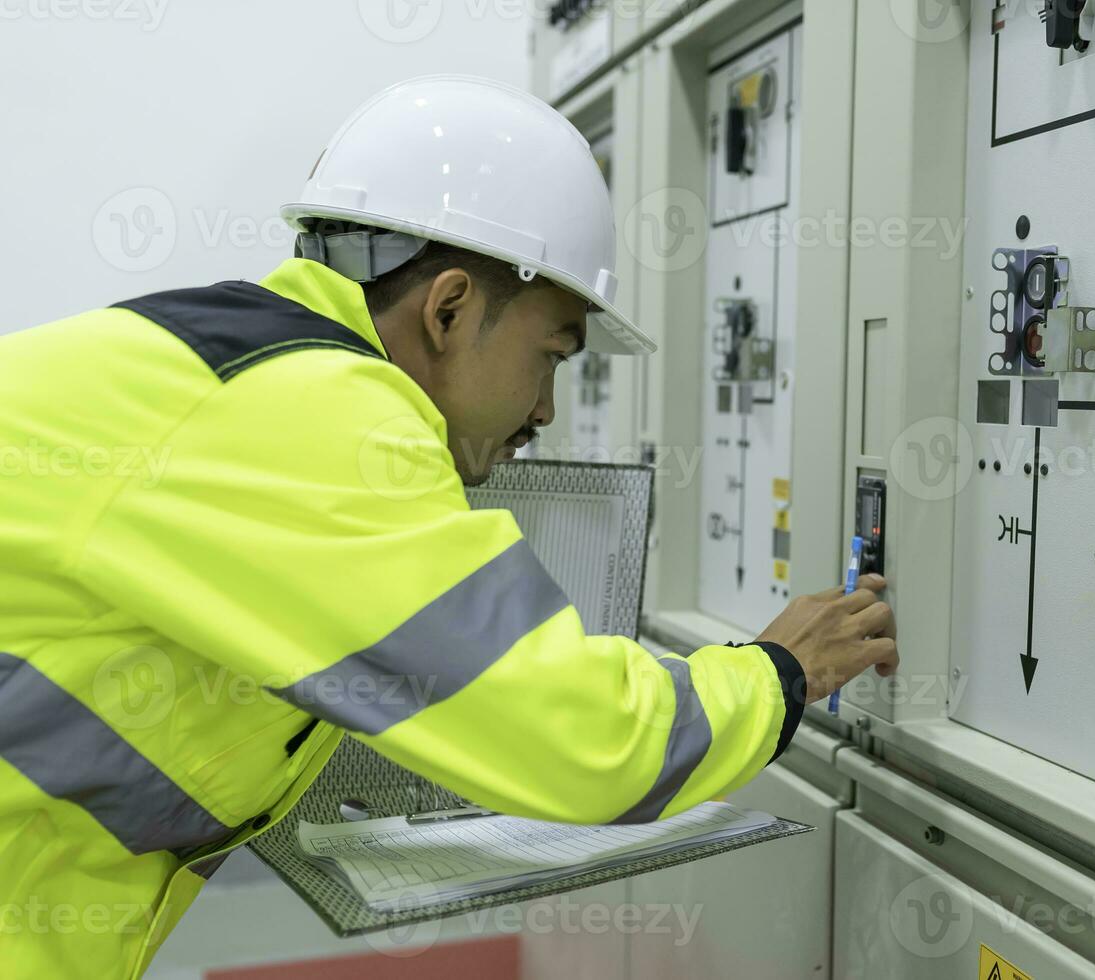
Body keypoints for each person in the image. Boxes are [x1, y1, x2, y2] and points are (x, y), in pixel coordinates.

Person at [0, 75, 898, 977]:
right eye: (552, 355)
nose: (545, 408)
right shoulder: (319, 413)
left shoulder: (232, 363)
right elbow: (585, 740)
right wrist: (778, 674)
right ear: (450, 308)